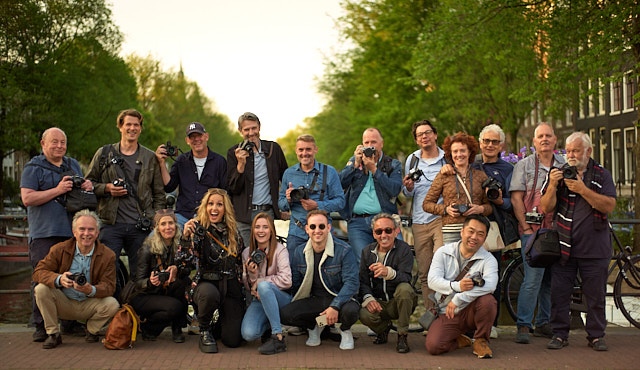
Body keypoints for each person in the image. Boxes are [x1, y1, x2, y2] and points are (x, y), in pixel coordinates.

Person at [540, 132, 616, 351]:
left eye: (575, 151)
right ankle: (559, 334)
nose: (570, 155)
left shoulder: (601, 175)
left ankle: (595, 335)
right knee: (559, 293)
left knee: (595, 295)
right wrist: (553, 185)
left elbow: (609, 206)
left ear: (588, 151)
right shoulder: (558, 174)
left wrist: (583, 190)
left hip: (594, 248)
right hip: (564, 246)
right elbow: (546, 207)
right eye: (568, 151)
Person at [20, 127, 94, 341]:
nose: (59, 146)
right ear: (43, 144)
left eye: (63, 142)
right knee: (42, 278)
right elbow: (27, 198)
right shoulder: (33, 167)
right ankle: (41, 326)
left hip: (72, 233)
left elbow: (78, 194)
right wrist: (58, 190)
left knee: (71, 277)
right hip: (44, 233)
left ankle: (69, 324)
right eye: (54, 142)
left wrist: (86, 186)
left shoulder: (72, 165)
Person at [86, 109, 166, 286]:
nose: (132, 128)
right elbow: (88, 184)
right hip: (110, 223)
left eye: (136, 125)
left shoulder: (149, 157)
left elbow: (159, 193)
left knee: (141, 273)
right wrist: (107, 188)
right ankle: (114, 310)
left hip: (141, 225)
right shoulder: (104, 153)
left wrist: (156, 219)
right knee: (108, 270)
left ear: (140, 128)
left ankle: (136, 312)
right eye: (128, 124)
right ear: (120, 127)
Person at [32, 210, 120, 349]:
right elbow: (38, 272)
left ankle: (91, 330)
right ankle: (53, 334)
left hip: (89, 303)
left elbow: (110, 287)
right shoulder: (59, 249)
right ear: (74, 232)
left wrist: (91, 289)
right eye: (82, 229)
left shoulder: (108, 255)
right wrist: (59, 279)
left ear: (97, 233)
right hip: (64, 302)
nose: (86, 233)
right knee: (41, 289)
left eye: (91, 229)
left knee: (112, 304)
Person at [510, 122, 565, 344]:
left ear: (555, 140)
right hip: (532, 232)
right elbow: (516, 197)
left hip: (557, 232)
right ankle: (524, 325)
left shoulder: (563, 165)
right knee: (532, 280)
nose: (544, 139)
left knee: (551, 280)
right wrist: (524, 226)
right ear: (533, 142)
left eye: (548, 136)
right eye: (540, 136)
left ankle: (543, 322)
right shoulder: (523, 166)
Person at [280, 210, 360, 350]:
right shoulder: (300, 252)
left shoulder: (344, 250)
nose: (317, 230)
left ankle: (345, 330)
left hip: (339, 298)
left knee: (351, 311)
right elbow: (296, 284)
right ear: (307, 229)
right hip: (315, 300)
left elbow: (352, 283)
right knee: (285, 314)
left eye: (321, 226)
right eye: (313, 227)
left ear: (329, 227)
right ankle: (316, 325)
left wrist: (335, 306)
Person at [180, 188, 244, 353]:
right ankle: (204, 330)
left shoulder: (234, 232)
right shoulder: (198, 230)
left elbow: (238, 262)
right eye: (210, 204)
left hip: (230, 286)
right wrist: (186, 239)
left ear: (225, 209)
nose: (214, 208)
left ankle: (219, 323)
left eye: (219, 204)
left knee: (232, 340)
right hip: (207, 283)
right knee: (209, 295)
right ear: (205, 206)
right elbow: (183, 266)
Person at [425, 215, 498, 359]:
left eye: (480, 234)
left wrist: (459, 299)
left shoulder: (489, 259)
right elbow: (432, 281)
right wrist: (457, 286)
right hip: (448, 311)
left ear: (485, 238)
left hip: (472, 310)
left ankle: (481, 341)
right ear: (462, 231)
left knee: (488, 301)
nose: (474, 237)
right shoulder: (443, 252)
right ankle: (459, 340)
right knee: (434, 346)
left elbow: (490, 286)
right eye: (471, 231)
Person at [339, 128, 403, 264]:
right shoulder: (355, 162)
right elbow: (339, 184)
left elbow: (395, 190)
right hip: (358, 223)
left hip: (386, 219)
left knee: (396, 257)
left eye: (373, 142)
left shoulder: (393, 164)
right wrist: (355, 164)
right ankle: (368, 286)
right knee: (364, 261)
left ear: (381, 143)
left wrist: (374, 170)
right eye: (366, 142)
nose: (369, 146)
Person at [402, 119, 446, 310]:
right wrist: (408, 187)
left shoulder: (447, 158)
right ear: (417, 140)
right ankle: (431, 317)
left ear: (435, 135)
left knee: (443, 266)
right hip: (420, 221)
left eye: (427, 132)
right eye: (420, 135)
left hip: (442, 219)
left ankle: (446, 315)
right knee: (425, 271)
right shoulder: (412, 160)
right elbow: (408, 194)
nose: (424, 136)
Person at [278, 135, 345, 259]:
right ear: (296, 151)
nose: (304, 153)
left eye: (308, 149)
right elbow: (281, 204)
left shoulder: (329, 172)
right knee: (294, 272)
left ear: (315, 150)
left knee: (324, 271)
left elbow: (341, 201)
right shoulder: (288, 173)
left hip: (322, 231)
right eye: (301, 150)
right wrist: (287, 199)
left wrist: (317, 205)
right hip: (297, 232)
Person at [128, 209, 190, 343]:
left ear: (176, 225)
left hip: (164, 291)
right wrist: (150, 282)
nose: (168, 227)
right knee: (176, 306)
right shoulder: (147, 249)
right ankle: (147, 328)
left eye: (171, 223)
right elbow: (138, 282)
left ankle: (177, 328)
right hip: (144, 294)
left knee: (180, 283)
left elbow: (188, 270)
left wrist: (177, 269)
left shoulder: (180, 245)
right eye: (163, 224)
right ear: (157, 228)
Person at [227, 112, 288, 245]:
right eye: (246, 129)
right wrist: (241, 165)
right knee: (245, 255)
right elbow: (233, 188)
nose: (251, 132)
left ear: (259, 127)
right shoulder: (233, 152)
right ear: (240, 131)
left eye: (254, 128)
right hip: (243, 215)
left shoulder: (273, 149)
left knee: (266, 254)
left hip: (267, 213)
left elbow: (285, 179)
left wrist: (284, 206)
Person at [358, 213, 416, 353]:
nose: (383, 235)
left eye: (388, 230)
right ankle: (383, 329)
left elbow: (406, 278)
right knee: (363, 313)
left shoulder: (404, 249)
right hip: (380, 303)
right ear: (374, 234)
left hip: (399, 302)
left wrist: (388, 273)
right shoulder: (367, 252)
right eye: (379, 231)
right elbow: (362, 281)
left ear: (396, 231)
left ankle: (402, 335)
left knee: (405, 289)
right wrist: (368, 298)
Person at [423, 132, 491, 244]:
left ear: (470, 152)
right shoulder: (444, 175)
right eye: (455, 151)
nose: (459, 154)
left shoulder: (480, 176)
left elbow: (490, 206)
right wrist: (446, 209)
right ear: (450, 154)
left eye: (462, 150)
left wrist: (480, 209)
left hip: (475, 230)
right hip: (451, 232)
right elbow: (427, 204)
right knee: (452, 261)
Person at [156, 122, 227, 228]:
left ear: (206, 136)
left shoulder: (219, 161)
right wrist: (161, 164)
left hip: (209, 217)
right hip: (183, 216)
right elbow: (169, 186)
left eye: (199, 136)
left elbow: (225, 192)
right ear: (187, 141)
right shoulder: (181, 160)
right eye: (192, 137)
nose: (196, 140)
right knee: (155, 238)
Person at [241, 213, 292, 355]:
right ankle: (270, 323)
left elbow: (287, 280)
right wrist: (252, 274)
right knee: (248, 334)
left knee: (263, 286)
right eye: (257, 227)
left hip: (281, 298)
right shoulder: (247, 253)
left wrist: (261, 282)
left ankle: (278, 337)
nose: (261, 231)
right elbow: (248, 287)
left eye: (265, 227)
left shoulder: (280, 250)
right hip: (259, 299)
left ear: (271, 231)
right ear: (252, 230)